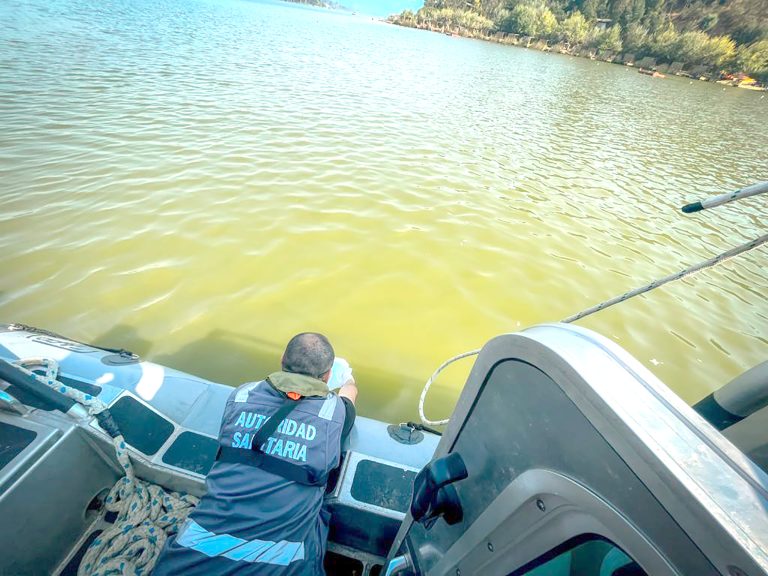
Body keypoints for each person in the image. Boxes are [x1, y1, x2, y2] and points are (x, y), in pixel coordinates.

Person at [153, 332, 357, 576]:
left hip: (189, 557)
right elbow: (350, 394)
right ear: (327, 375)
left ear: (282, 359)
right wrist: (348, 377)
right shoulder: (333, 411)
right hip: (280, 565)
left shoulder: (241, 395)